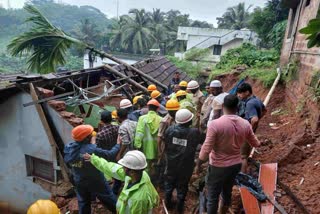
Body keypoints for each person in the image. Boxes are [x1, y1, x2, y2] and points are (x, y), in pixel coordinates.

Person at [196, 95, 261, 214]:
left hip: (217, 166)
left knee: (213, 196)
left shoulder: (214, 124)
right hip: (235, 164)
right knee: (227, 192)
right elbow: (255, 143)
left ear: (222, 106)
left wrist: (199, 163)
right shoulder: (245, 124)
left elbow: (206, 148)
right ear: (237, 107)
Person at [64, 125, 120, 214]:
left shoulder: (69, 147)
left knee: (83, 202)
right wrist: (118, 144)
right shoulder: (91, 149)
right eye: (90, 134)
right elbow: (110, 154)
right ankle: (119, 211)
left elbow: (77, 155)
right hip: (96, 180)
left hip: (79, 179)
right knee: (108, 197)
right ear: (87, 137)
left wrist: (91, 145)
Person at [83, 150, 159, 214]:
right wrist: (93, 159)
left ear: (131, 171)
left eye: (124, 167)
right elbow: (111, 168)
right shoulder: (140, 175)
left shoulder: (139, 200)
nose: (122, 168)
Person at [163, 109, 204, 213]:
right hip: (185, 166)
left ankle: (168, 204)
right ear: (189, 121)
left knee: (169, 184)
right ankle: (179, 209)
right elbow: (201, 142)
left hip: (171, 163)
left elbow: (166, 144)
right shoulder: (194, 132)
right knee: (182, 186)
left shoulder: (169, 130)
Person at [236, 83, 267, 172]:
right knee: (244, 154)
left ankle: (243, 178)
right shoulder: (256, 99)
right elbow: (264, 110)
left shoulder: (250, 104)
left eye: (240, 93)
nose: (239, 95)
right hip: (247, 130)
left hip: (245, 132)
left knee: (243, 156)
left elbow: (255, 119)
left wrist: (250, 131)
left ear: (247, 92)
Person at [134, 99, 162, 178]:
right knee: (156, 166)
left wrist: (137, 145)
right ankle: (155, 181)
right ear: (157, 108)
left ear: (148, 107)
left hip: (145, 148)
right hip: (157, 148)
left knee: (145, 166)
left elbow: (139, 133)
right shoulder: (161, 119)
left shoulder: (142, 119)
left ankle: (146, 180)